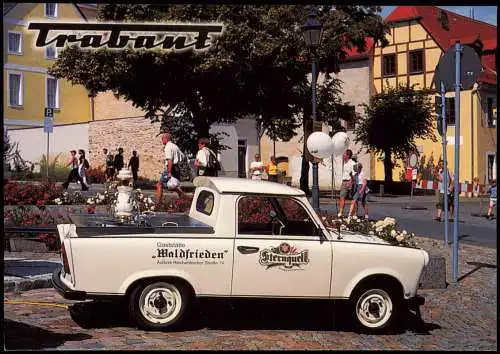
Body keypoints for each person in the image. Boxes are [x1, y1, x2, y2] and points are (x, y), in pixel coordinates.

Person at [157, 133, 184, 201]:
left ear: (166, 139)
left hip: (171, 168)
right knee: (174, 186)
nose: (162, 140)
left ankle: (158, 203)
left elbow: (170, 160)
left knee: (159, 185)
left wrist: (169, 172)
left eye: (162, 139)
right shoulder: (175, 146)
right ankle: (183, 199)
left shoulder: (168, 147)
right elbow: (182, 156)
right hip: (177, 167)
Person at [338, 149, 356, 218]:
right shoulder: (345, 163)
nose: (343, 155)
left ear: (348, 155)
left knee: (353, 198)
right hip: (344, 182)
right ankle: (341, 212)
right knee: (342, 197)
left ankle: (353, 213)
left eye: (344, 154)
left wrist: (351, 182)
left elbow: (354, 174)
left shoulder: (352, 164)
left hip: (350, 182)